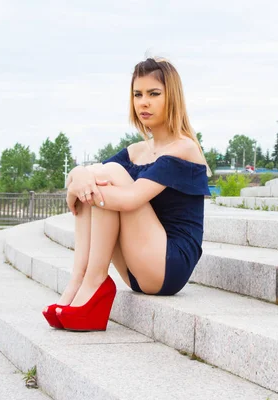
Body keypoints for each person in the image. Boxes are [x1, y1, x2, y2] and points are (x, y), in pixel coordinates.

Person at [42, 57, 211, 331]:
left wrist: (82, 184)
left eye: (154, 94)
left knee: (110, 174)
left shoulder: (185, 148)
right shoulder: (137, 150)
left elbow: (131, 199)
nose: (143, 102)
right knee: (101, 172)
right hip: (135, 269)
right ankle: (80, 279)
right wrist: (79, 175)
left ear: (173, 98)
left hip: (168, 266)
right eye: (138, 94)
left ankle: (95, 282)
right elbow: (91, 173)